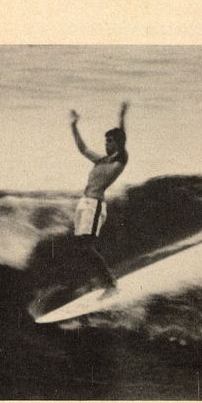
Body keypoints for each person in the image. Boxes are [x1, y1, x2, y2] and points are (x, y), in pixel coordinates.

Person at [68, 101, 130, 292]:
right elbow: (83, 149)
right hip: (85, 204)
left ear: (117, 144)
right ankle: (102, 281)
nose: (106, 144)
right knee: (81, 248)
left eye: (109, 141)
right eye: (105, 141)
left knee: (86, 247)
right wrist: (74, 126)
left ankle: (110, 284)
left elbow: (122, 140)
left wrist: (121, 117)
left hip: (94, 205)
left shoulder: (120, 160)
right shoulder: (100, 160)